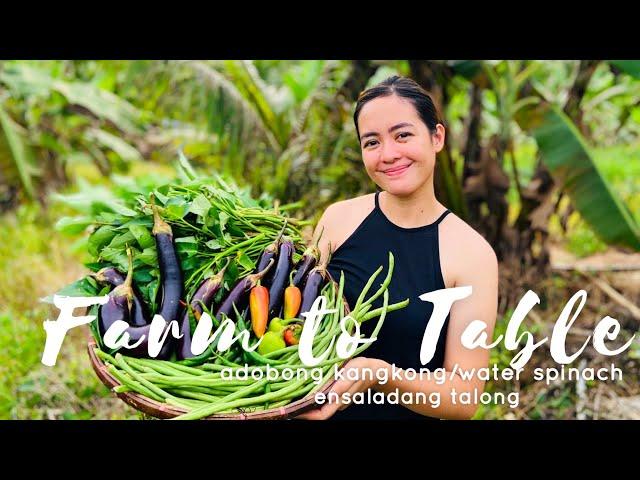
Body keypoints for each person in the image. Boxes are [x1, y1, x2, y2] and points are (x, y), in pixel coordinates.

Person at [297, 76, 499, 420]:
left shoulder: (472, 255)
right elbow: (297, 324)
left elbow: (464, 398)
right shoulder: (338, 220)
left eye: (403, 135)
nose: (388, 154)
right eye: (371, 142)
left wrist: (381, 375)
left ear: (437, 137)